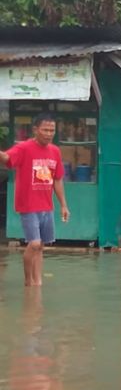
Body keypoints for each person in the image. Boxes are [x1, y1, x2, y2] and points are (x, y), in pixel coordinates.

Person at [0, 113, 69, 287]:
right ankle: (27, 280)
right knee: (35, 243)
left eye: (52, 130)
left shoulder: (55, 151)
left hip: (47, 206)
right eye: (45, 130)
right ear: (35, 130)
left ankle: (37, 283)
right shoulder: (24, 148)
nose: (48, 133)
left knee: (41, 247)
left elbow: (58, 179)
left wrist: (63, 205)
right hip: (28, 206)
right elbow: (7, 158)